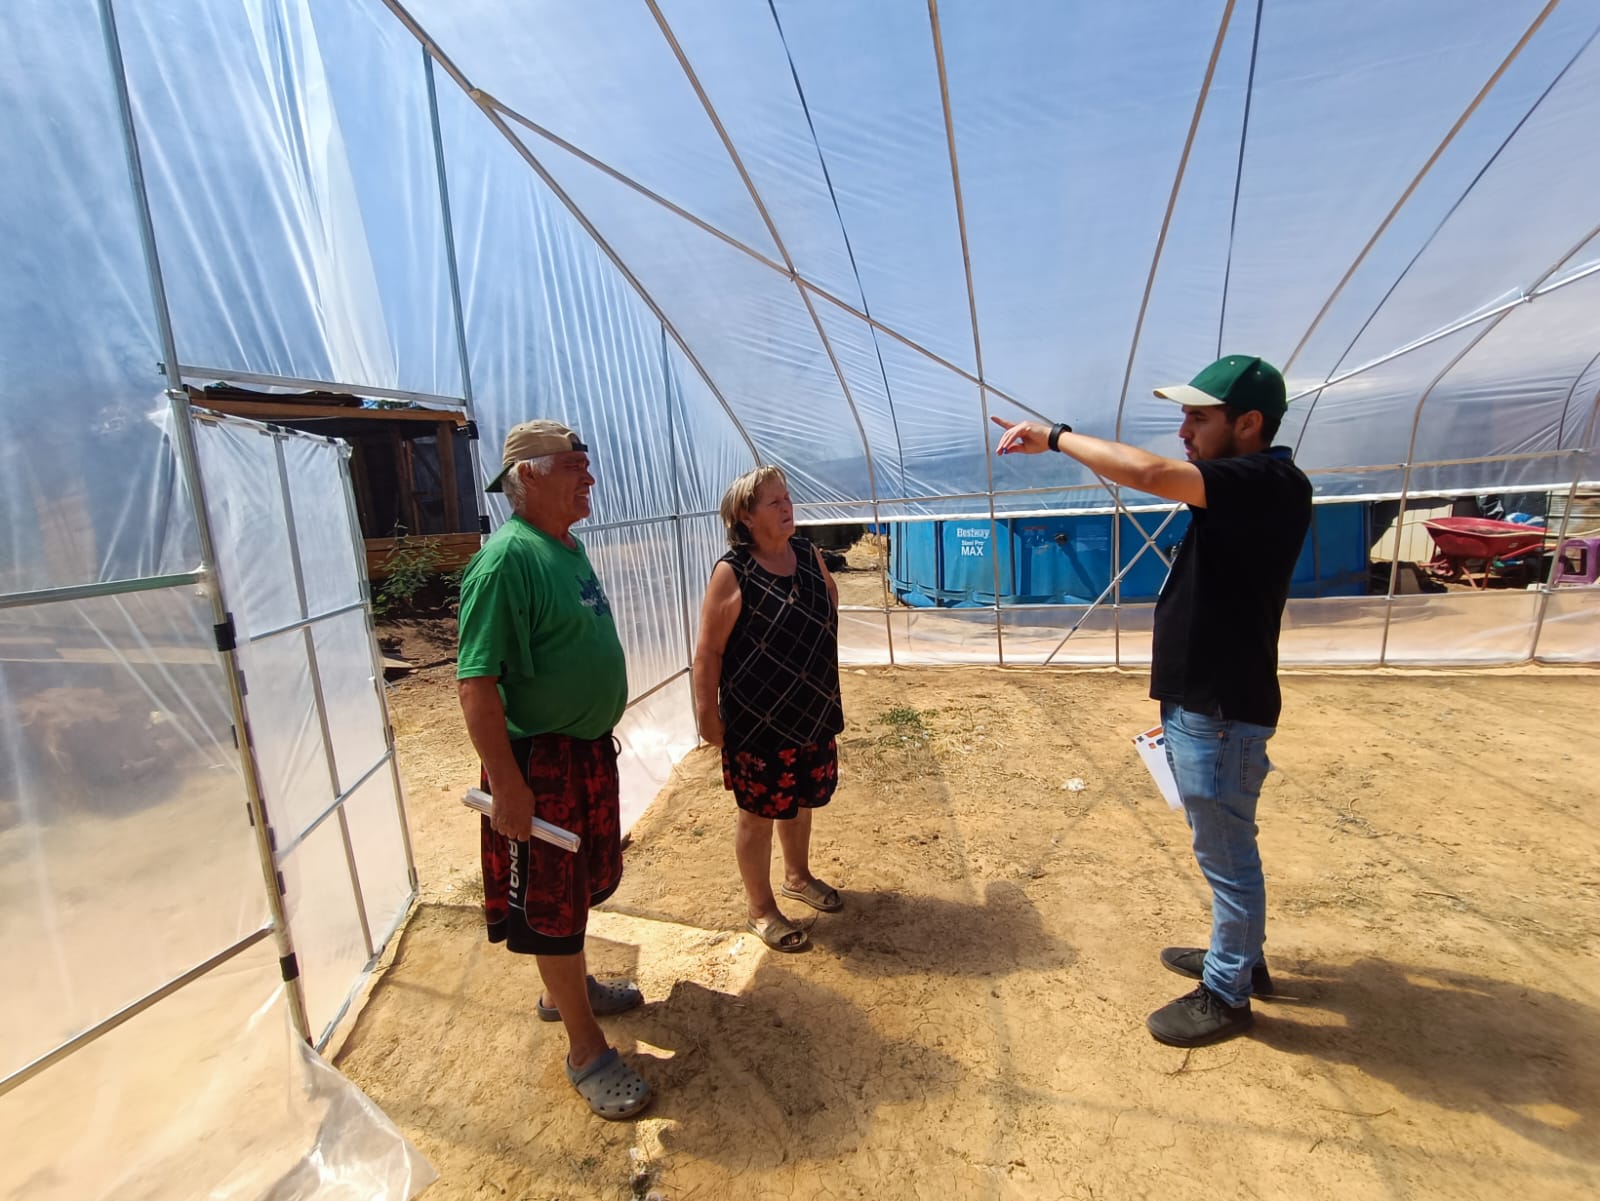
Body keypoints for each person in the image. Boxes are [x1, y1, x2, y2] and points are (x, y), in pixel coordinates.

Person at [993, 355, 1311, 1047]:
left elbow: (1146, 473)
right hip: (1209, 702)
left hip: (1222, 709)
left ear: (1249, 424)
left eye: (1200, 416)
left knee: (1228, 853)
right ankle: (1239, 954)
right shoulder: (1247, 486)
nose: (1184, 429)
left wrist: (1055, 437)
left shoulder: (1266, 479)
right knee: (1224, 844)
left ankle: (1227, 991)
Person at [456, 419, 652, 1118]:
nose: (589, 476)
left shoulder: (565, 547)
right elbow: (476, 684)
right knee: (550, 909)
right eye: (575, 464)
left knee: (577, 890)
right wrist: (507, 784)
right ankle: (585, 1048)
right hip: (539, 766)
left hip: (582, 755)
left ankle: (563, 988)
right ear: (530, 475)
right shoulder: (506, 560)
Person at [693, 466, 845, 953]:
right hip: (758, 722)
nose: (787, 507)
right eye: (774, 502)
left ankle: (797, 877)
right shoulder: (732, 572)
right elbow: (708, 652)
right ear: (745, 515)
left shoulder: (807, 553)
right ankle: (760, 909)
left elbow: (830, 604)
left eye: (787, 498)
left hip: (812, 710)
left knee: (800, 801)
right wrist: (706, 714)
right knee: (757, 815)